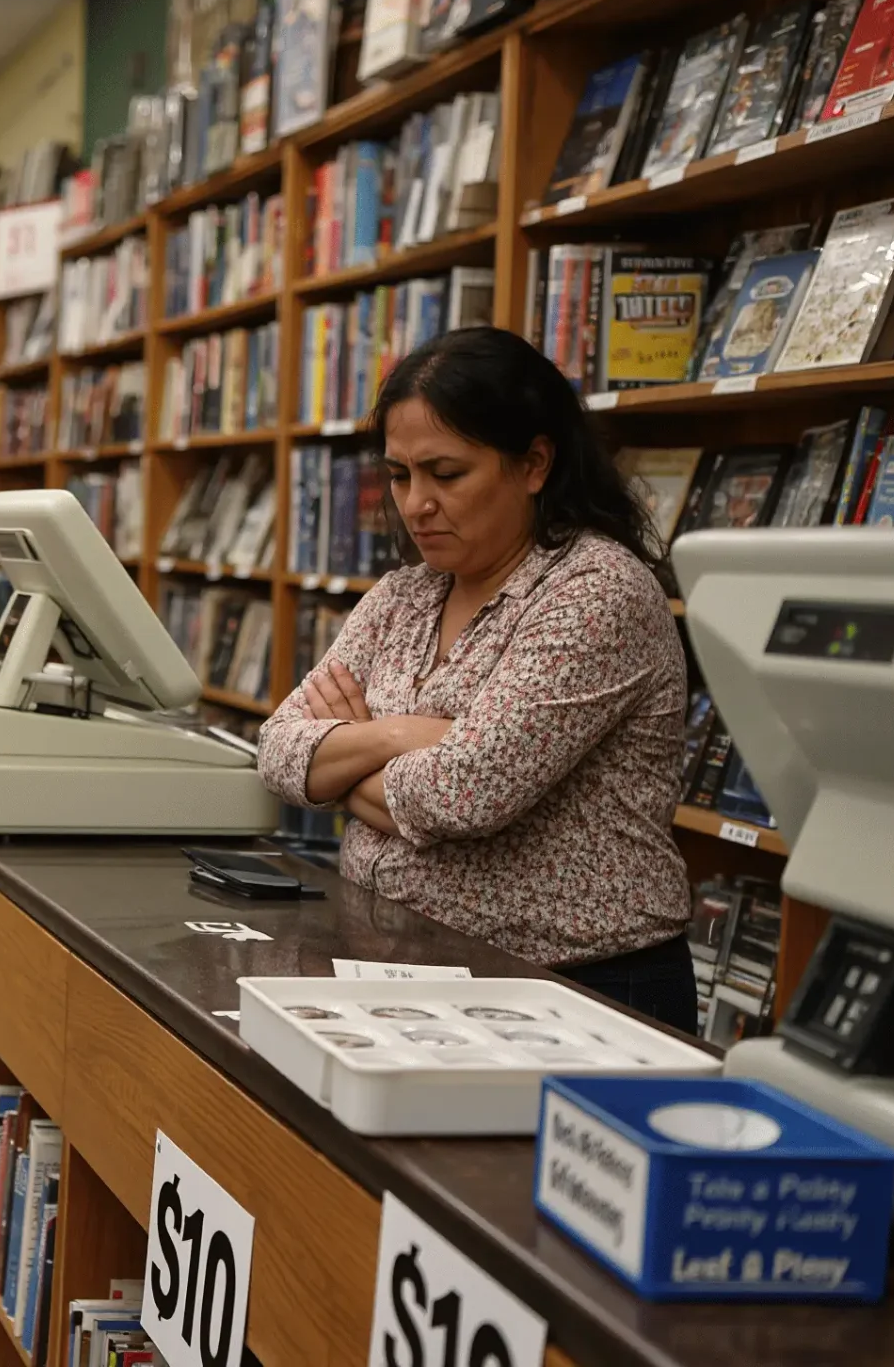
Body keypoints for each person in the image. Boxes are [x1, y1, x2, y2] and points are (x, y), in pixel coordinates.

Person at [256, 327, 696, 1029]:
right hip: (403, 968)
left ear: (534, 464)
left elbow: (464, 794)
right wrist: (398, 735)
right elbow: (277, 753)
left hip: (579, 992)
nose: (415, 503)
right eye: (400, 475)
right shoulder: (406, 594)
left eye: (446, 473)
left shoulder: (598, 591)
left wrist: (342, 760)